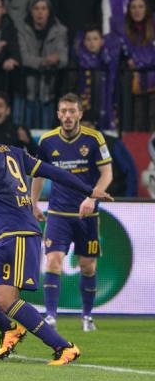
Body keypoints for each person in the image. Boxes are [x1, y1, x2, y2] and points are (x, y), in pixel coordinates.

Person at [0, 116, 112, 366]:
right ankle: (9, 329)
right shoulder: (15, 152)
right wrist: (88, 189)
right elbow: (52, 171)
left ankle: (65, 348)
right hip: (1, 237)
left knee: (5, 300)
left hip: (17, 235)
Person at [33, 94, 113, 332]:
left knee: (88, 266)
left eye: (72, 111)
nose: (68, 116)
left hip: (87, 214)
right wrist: (33, 203)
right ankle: (50, 316)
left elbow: (107, 174)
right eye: (64, 111)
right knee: (53, 261)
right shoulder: (47, 141)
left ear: (80, 114)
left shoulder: (94, 138)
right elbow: (38, 173)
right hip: (58, 213)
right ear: (58, 114)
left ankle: (87, 316)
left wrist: (91, 198)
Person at [17, 0, 67, 129]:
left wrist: (57, 59)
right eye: (36, 8)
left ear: (49, 11)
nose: (40, 12)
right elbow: (23, 57)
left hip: (48, 91)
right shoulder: (22, 30)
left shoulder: (60, 31)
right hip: (26, 91)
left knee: (46, 133)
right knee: (25, 132)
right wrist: (44, 62)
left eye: (44, 8)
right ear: (31, 11)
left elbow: (63, 57)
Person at [72, 25, 121, 130]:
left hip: (106, 112)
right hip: (85, 114)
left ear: (102, 41)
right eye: (88, 39)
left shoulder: (108, 63)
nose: (92, 43)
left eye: (95, 39)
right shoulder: (78, 64)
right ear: (84, 42)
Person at [119, 0, 155, 131]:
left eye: (140, 7)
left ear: (146, 9)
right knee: (138, 121)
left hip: (153, 82)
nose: (137, 10)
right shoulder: (124, 31)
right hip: (135, 83)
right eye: (133, 7)